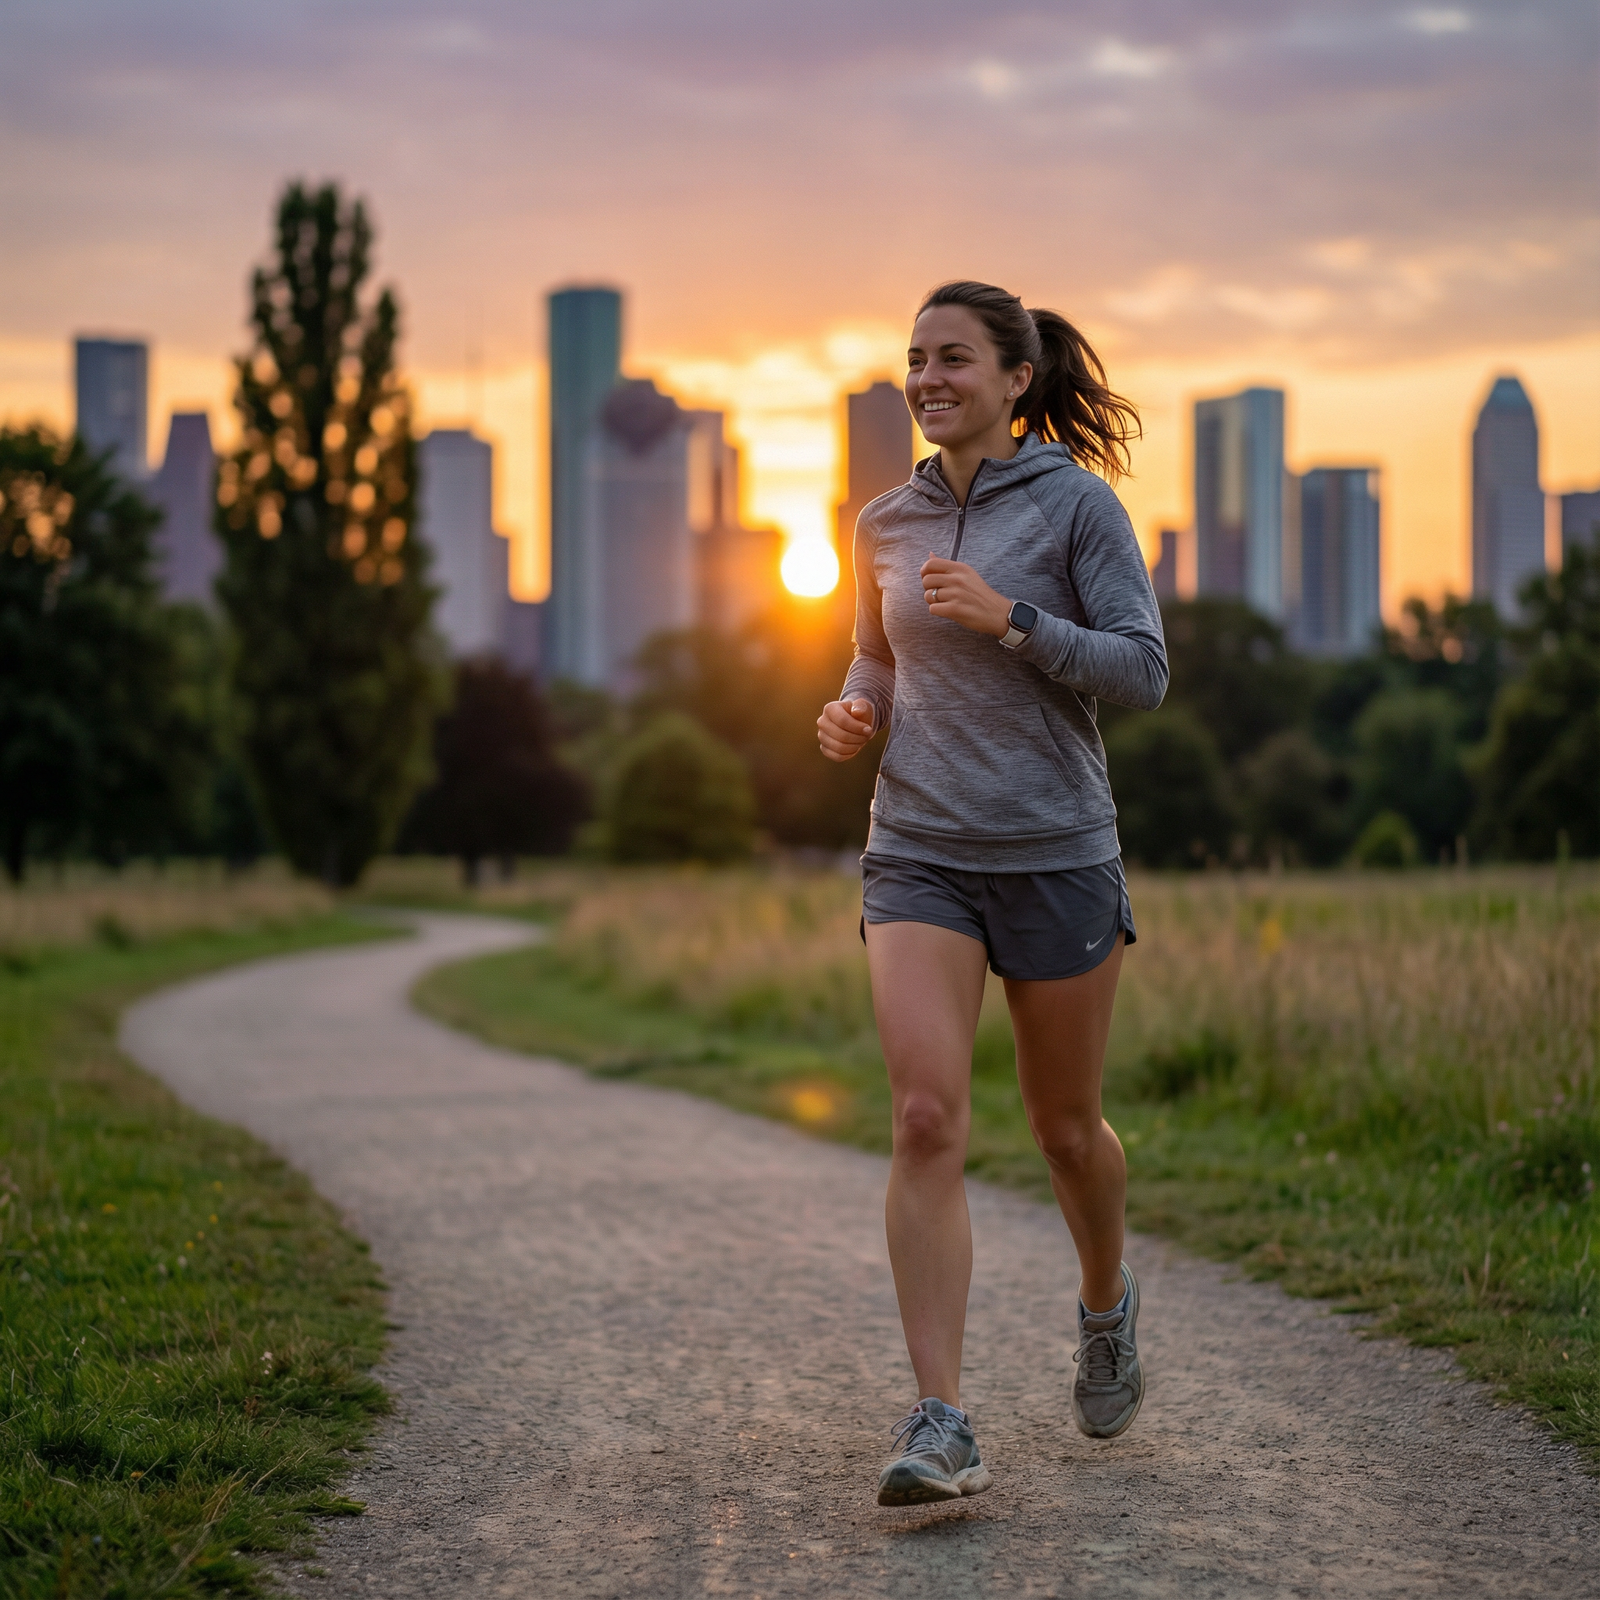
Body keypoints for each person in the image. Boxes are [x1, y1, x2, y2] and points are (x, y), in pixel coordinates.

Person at [816, 280, 1168, 1506]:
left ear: (1014, 379)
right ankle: (942, 1417)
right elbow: (875, 647)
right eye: (915, 358)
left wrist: (1016, 620)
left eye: (952, 358)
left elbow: (1142, 669)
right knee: (923, 1117)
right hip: (916, 847)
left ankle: (1104, 1297)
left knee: (1067, 1132)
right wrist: (855, 707)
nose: (927, 378)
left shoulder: (1076, 504)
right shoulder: (882, 521)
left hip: (1056, 850)